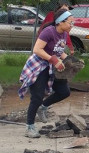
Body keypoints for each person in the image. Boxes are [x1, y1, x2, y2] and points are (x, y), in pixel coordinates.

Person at [18, 8, 75, 138]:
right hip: (39, 65)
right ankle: (29, 127)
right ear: (60, 22)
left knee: (64, 91)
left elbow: (59, 51)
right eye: (70, 22)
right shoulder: (48, 31)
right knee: (37, 96)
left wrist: (69, 61)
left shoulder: (64, 34)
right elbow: (37, 49)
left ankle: (43, 107)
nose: (72, 25)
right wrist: (54, 60)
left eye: (73, 23)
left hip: (51, 65)